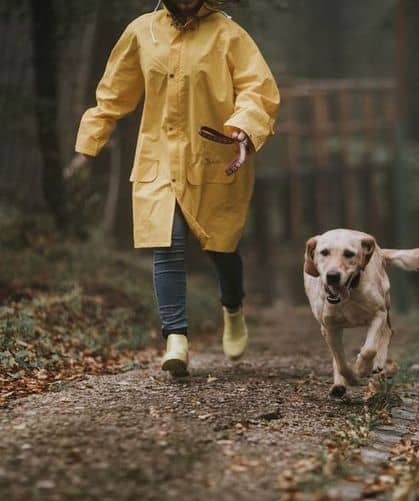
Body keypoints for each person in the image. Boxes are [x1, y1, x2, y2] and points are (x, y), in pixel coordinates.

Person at [72, 0, 280, 375]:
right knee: (167, 242)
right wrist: (89, 145)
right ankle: (176, 339)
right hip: (159, 158)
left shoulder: (228, 34)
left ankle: (232, 307)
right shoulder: (142, 32)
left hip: (214, 156)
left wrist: (244, 128)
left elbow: (257, 89)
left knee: (221, 248)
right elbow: (113, 95)